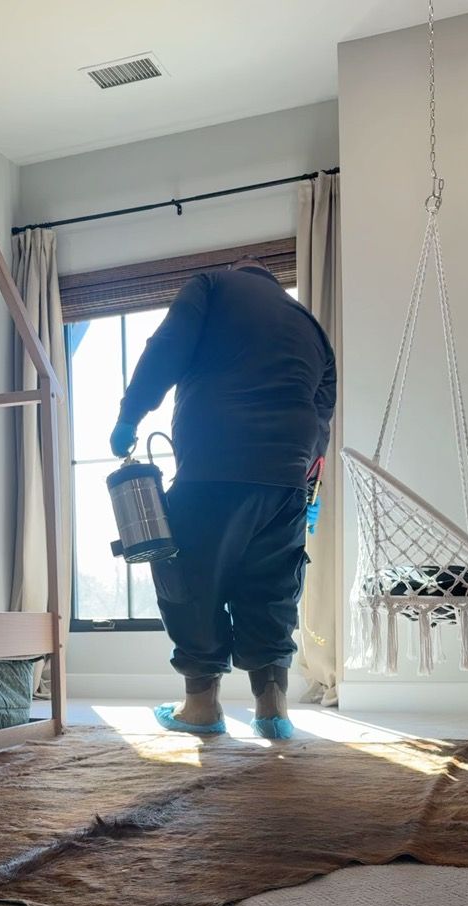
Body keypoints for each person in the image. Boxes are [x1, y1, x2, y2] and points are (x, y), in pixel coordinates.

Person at [110, 257, 336, 739]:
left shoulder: (211, 284)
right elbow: (322, 412)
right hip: (286, 480)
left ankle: (201, 707)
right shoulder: (310, 324)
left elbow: (166, 347)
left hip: (214, 463)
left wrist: (130, 414)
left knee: (190, 579)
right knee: (272, 587)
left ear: (239, 270)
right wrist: (308, 483)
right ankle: (273, 710)